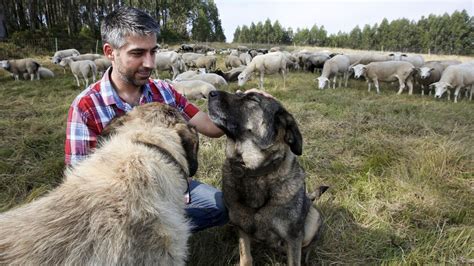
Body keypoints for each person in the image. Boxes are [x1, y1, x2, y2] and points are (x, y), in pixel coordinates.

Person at [64, 6, 228, 232]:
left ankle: (168, 230)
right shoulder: (86, 107)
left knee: (220, 206)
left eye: (153, 51)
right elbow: (79, 187)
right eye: (137, 53)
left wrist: (242, 104)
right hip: (120, 206)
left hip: (172, 188)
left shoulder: (165, 91)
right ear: (110, 52)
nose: (150, 63)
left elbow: (211, 127)